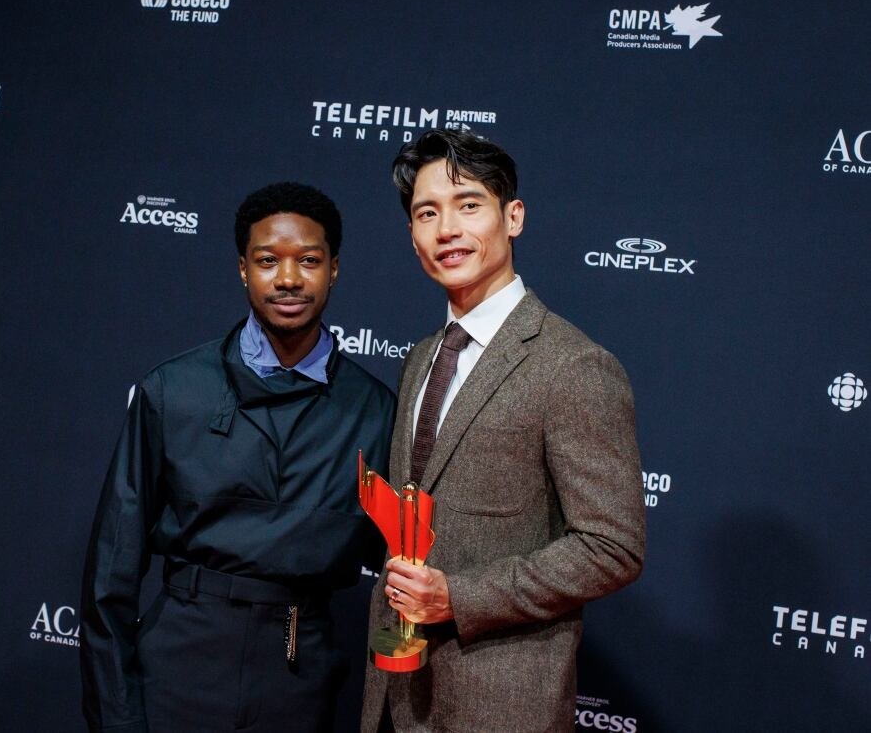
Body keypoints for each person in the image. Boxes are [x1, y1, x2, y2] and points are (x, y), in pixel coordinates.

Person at [82, 182, 396, 733]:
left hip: (299, 678)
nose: (289, 278)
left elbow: (408, 569)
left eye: (309, 261)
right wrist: (117, 718)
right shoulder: (173, 391)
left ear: (334, 270)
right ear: (243, 270)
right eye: (268, 260)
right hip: (177, 667)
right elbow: (111, 573)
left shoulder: (375, 411)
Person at [361, 130, 645, 732]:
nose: (447, 229)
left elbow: (612, 548)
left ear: (513, 217)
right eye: (427, 213)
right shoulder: (421, 357)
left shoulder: (573, 365)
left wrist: (459, 598)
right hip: (398, 695)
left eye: (468, 205)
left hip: (502, 705)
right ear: (412, 236)